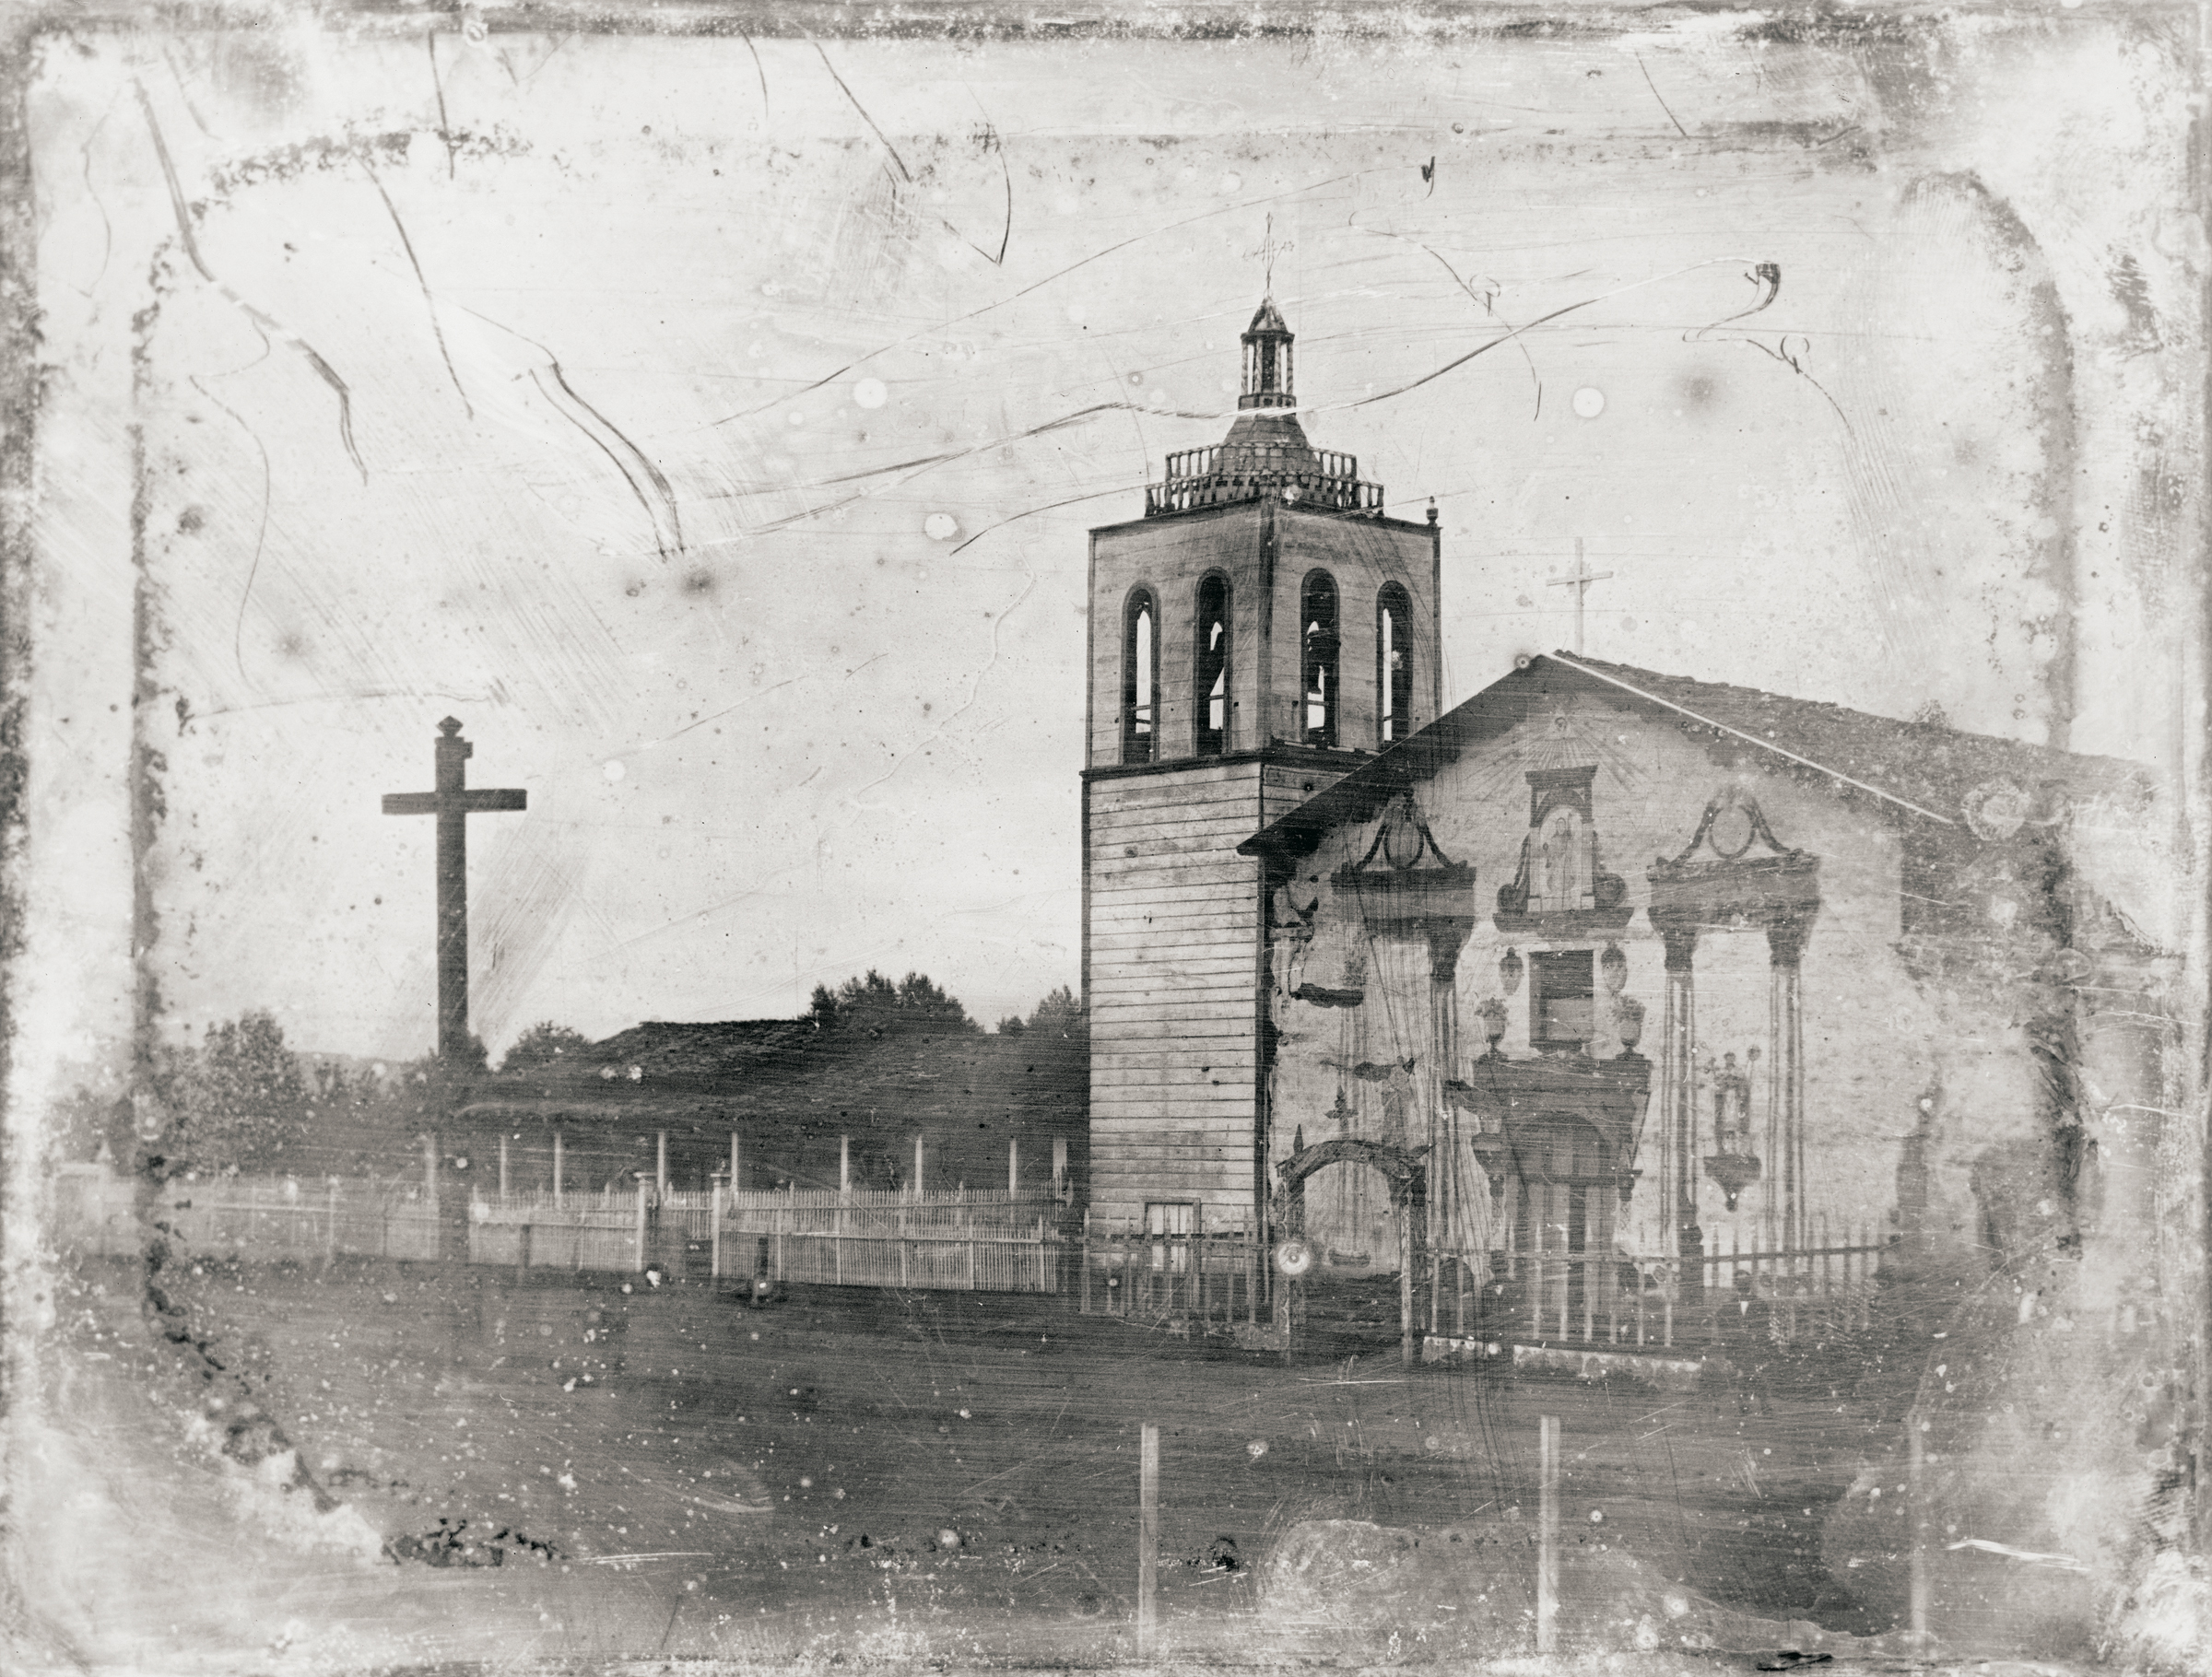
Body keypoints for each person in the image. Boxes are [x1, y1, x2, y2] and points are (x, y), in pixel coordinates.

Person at [1717, 1269, 1774, 1415]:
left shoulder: (1760, 1304)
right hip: (1738, 1348)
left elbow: (1765, 1328)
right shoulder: (1728, 1306)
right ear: (1736, 1284)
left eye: (1745, 1280)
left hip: (1755, 1348)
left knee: (1759, 1377)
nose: (1742, 1283)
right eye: (1739, 1281)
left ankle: (1766, 1407)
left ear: (1749, 1283)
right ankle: (1744, 1407)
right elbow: (1722, 1325)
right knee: (1741, 1378)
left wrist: (1760, 1342)